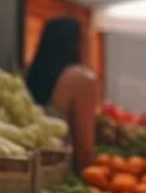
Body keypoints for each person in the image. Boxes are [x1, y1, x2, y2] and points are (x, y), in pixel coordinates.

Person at [25, 17, 97, 172]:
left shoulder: (30, 76)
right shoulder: (80, 78)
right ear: (77, 44)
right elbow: (84, 151)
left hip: (28, 169)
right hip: (57, 174)